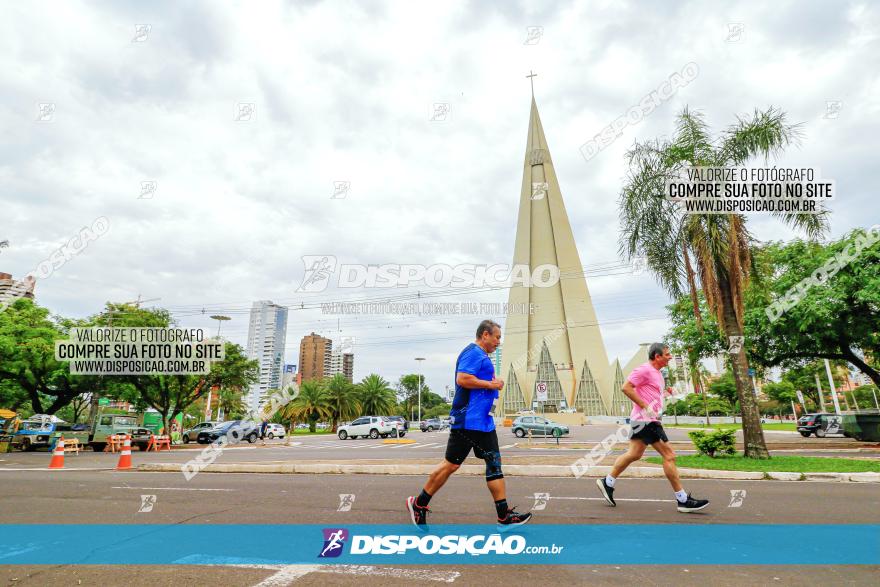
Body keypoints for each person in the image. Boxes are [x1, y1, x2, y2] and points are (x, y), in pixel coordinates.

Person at [406, 319, 532, 529]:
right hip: (467, 422)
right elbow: (462, 379)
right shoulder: (472, 352)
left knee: (494, 464)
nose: (498, 342)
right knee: (451, 465)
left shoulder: (482, 356)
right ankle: (419, 504)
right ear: (485, 335)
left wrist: (493, 385)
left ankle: (504, 517)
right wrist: (491, 384)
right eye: (497, 337)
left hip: (484, 423)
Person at [596, 343, 710, 513]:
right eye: (667, 354)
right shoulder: (644, 369)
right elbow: (625, 387)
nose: (670, 357)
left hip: (643, 421)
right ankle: (683, 500)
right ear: (657, 356)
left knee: (634, 454)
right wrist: (646, 407)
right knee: (669, 455)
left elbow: (650, 393)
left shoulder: (657, 374)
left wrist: (666, 394)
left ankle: (608, 482)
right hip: (646, 421)